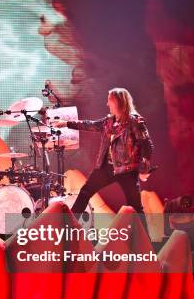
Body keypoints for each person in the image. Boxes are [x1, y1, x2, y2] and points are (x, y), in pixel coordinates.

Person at [52, 87, 154, 217]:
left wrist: (144, 169)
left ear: (118, 102)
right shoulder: (109, 121)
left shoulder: (135, 121)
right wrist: (66, 123)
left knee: (135, 207)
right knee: (85, 192)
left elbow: (147, 145)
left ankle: (144, 236)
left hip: (127, 171)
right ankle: (69, 226)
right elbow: (89, 125)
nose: (107, 104)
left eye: (109, 101)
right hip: (105, 168)